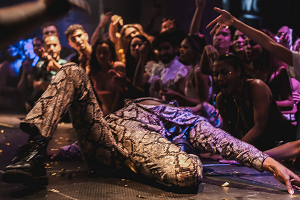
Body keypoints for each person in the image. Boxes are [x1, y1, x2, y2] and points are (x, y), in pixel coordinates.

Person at [3, 62, 300, 195]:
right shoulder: (126, 109)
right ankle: (32, 152)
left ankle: (180, 159)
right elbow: (96, 133)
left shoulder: (178, 117)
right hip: (105, 146)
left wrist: (266, 160)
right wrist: (59, 151)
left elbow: (222, 140)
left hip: (144, 150)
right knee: (72, 71)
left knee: (188, 172)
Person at [214, 54, 295, 151]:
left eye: (224, 72)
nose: (219, 78)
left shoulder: (256, 87)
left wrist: (233, 151)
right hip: (256, 150)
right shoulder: (221, 98)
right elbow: (226, 132)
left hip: (283, 145)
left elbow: (259, 127)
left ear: (238, 71)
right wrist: (220, 151)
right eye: (215, 74)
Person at [88, 38, 125, 115]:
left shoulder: (118, 67)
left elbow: (120, 95)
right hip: (104, 113)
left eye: (105, 52)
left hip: (120, 113)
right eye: (99, 52)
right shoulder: (94, 72)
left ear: (111, 53)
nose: (102, 55)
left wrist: (111, 116)